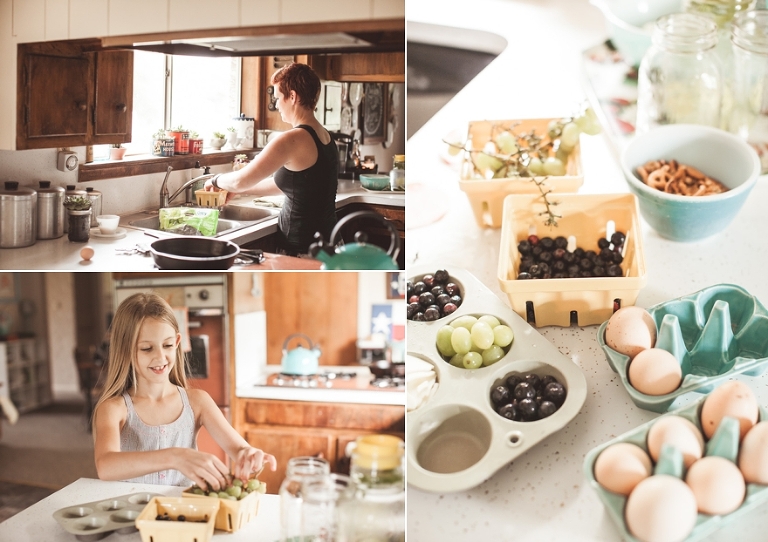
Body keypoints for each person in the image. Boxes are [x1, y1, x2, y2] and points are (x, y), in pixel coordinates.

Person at [92, 292, 276, 490]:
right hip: (130, 512)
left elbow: (238, 449)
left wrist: (248, 455)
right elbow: (105, 466)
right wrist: (175, 456)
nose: (160, 356)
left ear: (177, 342)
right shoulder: (114, 408)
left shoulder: (197, 401)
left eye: (168, 345)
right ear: (125, 349)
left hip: (183, 514)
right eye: (147, 348)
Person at [204, 62, 339, 256]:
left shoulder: (291, 139)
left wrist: (215, 180)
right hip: (328, 244)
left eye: (277, 98)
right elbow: (293, 186)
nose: (276, 105)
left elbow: (239, 180)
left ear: (292, 97)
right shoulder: (324, 135)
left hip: (302, 250)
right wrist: (235, 189)